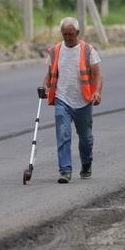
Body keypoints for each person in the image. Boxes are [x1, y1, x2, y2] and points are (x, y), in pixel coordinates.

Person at [42, 17, 103, 183]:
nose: (68, 38)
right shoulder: (55, 51)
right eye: (64, 34)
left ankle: (86, 163)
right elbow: (49, 74)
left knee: (86, 139)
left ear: (77, 32)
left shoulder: (88, 51)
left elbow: (98, 75)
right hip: (62, 100)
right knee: (63, 134)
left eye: (71, 34)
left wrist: (96, 92)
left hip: (83, 101)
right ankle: (65, 171)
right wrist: (45, 87)